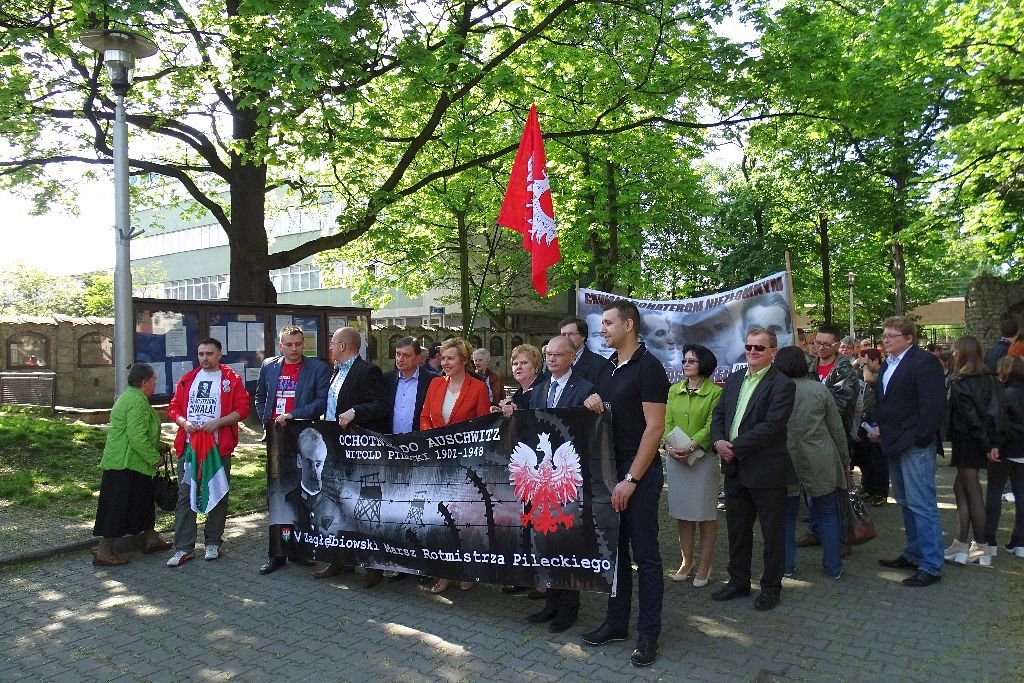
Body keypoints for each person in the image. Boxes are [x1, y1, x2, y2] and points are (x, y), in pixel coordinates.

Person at [579, 300, 669, 668]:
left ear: (628, 325)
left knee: (646, 556)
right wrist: (594, 402)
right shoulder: (609, 368)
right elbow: (606, 412)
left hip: (639, 476)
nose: (602, 329)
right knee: (615, 555)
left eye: (608, 323)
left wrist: (631, 478)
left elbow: (655, 428)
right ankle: (616, 624)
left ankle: (649, 634)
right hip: (609, 472)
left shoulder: (649, 367)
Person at [710, 327, 795, 611]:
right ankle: (738, 581)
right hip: (735, 469)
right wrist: (718, 441)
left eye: (759, 347)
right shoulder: (735, 378)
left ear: (773, 352)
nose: (753, 352)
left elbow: (772, 426)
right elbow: (719, 413)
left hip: (765, 470)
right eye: (749, 347)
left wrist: (734, 447)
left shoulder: (782, 384)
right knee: (737, 530)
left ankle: (771, 587)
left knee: (772, 534)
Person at [517, 335, 596, 633]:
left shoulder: (585, 390)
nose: (551, 359)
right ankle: (551, 602)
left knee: (567, 542)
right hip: (542, 480)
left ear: (572, 357)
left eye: (557, 355)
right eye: (548, 354)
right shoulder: (538, 391)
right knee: (546, 542)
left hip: (570, 479)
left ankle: (569, 607)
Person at [871, 316, 946, 587]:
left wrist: (920, 438)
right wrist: (877, 425)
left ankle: (931, 564)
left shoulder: (924, 363)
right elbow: (884, 400)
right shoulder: (888, 363)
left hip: (914, 445)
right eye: (884, 335)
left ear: (909, 338)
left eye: (891, 336)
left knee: (922, 504)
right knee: (904, 501)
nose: (885, 340)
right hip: (893, 442)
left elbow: (933, 405)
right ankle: (914, 553)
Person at [313, 326, 390, 585]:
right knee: (338, 504)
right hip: (336, 449)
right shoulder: (335, 371)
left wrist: (356, 411)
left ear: (343, 346)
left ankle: (373, 566)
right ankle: (340, 560)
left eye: (333, 344)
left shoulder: (367, 371)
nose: (330, 348)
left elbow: (381, 405)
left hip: (360, 452)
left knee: (365, 507)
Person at [166, 338, 250, 567]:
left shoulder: (231, 379)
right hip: (190, 448)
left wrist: (218, 423)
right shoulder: (188, 379)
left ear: (219, 354)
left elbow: (243, 409)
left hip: (217, 448)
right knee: (186, 496)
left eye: (209, 354)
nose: (204, 358)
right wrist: (184, 423)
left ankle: (213, 542)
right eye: (201, 354)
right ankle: (183, 547)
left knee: (217, 494)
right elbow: (173, 408)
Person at [254, 325, 331, 576]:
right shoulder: (269, 366)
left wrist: (293, 415)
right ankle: (278, 553)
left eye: (298, 344)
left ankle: (300, 548)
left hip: (302, 436)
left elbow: (321, 402)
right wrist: (267, 421)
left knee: (302, 493)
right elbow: (260, 397)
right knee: (278, 495)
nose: (294, 349)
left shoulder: (318, 368)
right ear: (281, 345)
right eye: (289, 344)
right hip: (277, 439)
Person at [420, 337, 491, 593]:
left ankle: (468, 570)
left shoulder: (478, 388)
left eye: (450, 358)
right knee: (441, 518)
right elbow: (425, 417)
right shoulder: (435, 383)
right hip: (438, 462)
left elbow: (483, 426)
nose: (445, 362)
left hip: (466, 464)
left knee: (466, 520)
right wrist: (433, 440)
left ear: (464, 361)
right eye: (443, 358)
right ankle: (444, 573)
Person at [775, 347, 849, 580]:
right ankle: (833, 566)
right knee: (827, 513)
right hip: (820, 457)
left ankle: (786, 565)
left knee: (786, 516)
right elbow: (837, 429)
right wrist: (845, 460)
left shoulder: (774, 390)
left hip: (785, 458)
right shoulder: (819, 389)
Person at [92, 363, 172, 566]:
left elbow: (140, 432)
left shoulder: (130, 397)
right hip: (125, 465)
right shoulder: (137, 401)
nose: (155, 383)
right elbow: (136, 436)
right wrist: (154, 458)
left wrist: (160, 446)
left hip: (129, 463)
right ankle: (104, 552)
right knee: (116, 508)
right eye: (154, 380)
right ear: (144, 382)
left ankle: (151, 539)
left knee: (143, 503)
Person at [663, 344, 722, 588]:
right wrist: (668, 446)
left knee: (705, 515)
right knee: (683, 514)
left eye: (691, 361)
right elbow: (666, 421)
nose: (685, 364)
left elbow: (711, 425)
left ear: (703, 365)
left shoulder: (715, 392)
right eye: (684, 361)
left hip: (702, 461)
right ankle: (686, 562)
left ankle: (705, 565)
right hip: (676, 460)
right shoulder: (673, 390)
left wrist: (691, 446)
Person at [944, 335, 1006, 566]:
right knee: (961, 489)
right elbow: (998, 414)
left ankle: (981, 546)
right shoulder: (992, 380)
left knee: (971, 491)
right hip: (981, 441)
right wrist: (993, 443)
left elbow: (971, 418)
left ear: (961, 353)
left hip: (968, 441)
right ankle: (961, 544)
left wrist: (987, 444)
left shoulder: (961, 383)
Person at [798, 325, 857, 548]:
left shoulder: (844, 370)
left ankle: (841, 538)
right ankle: (816, 530)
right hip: (811, 437)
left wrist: (810, 413)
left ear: (836, 345)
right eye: (817, 343)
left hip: (834, 435)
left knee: (837, 488)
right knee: (812, 486)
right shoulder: (810, 368)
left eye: (826, 344)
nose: (820, 347)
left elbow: (840, 405)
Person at [986, 356, 1024, 558]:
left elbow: (998, 422)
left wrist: (994, 445)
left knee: (994, 493)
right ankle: (1020, 542)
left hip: (1004, 449)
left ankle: (989, 540)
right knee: (1021, 495)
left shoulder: (1003, 394)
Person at [857, 349, 889, 506]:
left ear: (876, 361)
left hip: (876, 421)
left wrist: (864, 366)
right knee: (865, 458)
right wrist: (859, 361)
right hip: (865, 418)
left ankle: (880, 492)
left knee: (878, 459)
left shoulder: (881, 374)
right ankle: (868, 488)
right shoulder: (864, 371)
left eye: (867, 361)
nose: (865, 364)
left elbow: (868, 379)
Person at [384, 336, 435, 435]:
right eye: (398, 354)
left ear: (418, 358)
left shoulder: (431, 380)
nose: (400, 359)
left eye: (406, 355)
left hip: (419, 440)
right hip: (391, 440)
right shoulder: (387, 379)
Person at [559, 316, 612, 386]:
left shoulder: (600, 364)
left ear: (583, 336)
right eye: (563, 335)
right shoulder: (554, 361)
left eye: (571, 334)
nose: (567, 338)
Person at [499, 343, 543, 412]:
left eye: (523, 363)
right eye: (515, 364)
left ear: (536, 366)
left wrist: (516, 411)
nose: (518, 367)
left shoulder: (543, 391)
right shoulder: (518, 394)